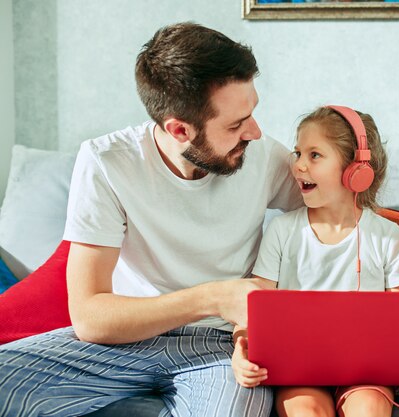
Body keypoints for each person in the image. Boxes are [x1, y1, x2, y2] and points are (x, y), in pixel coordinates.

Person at [0, 22, 303, 417]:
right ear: (178, 129)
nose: (255, 132)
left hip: (218, 348)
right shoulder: (106, 162)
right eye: (234, 125)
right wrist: (214, 297)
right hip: (121, 343)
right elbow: (90, 317)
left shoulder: (264, 158)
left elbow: (343, 224)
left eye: (252, 112)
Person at [230, 106, 399, 417]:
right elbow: (251, 309)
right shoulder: (282, 230)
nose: (298, 166)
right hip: (299, 370)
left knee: (369, 409)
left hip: (367, 374)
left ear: (355, 169)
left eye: (314, 155)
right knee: (307, 411)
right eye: (298, 153)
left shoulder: (387, 236)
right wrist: (241, 351)